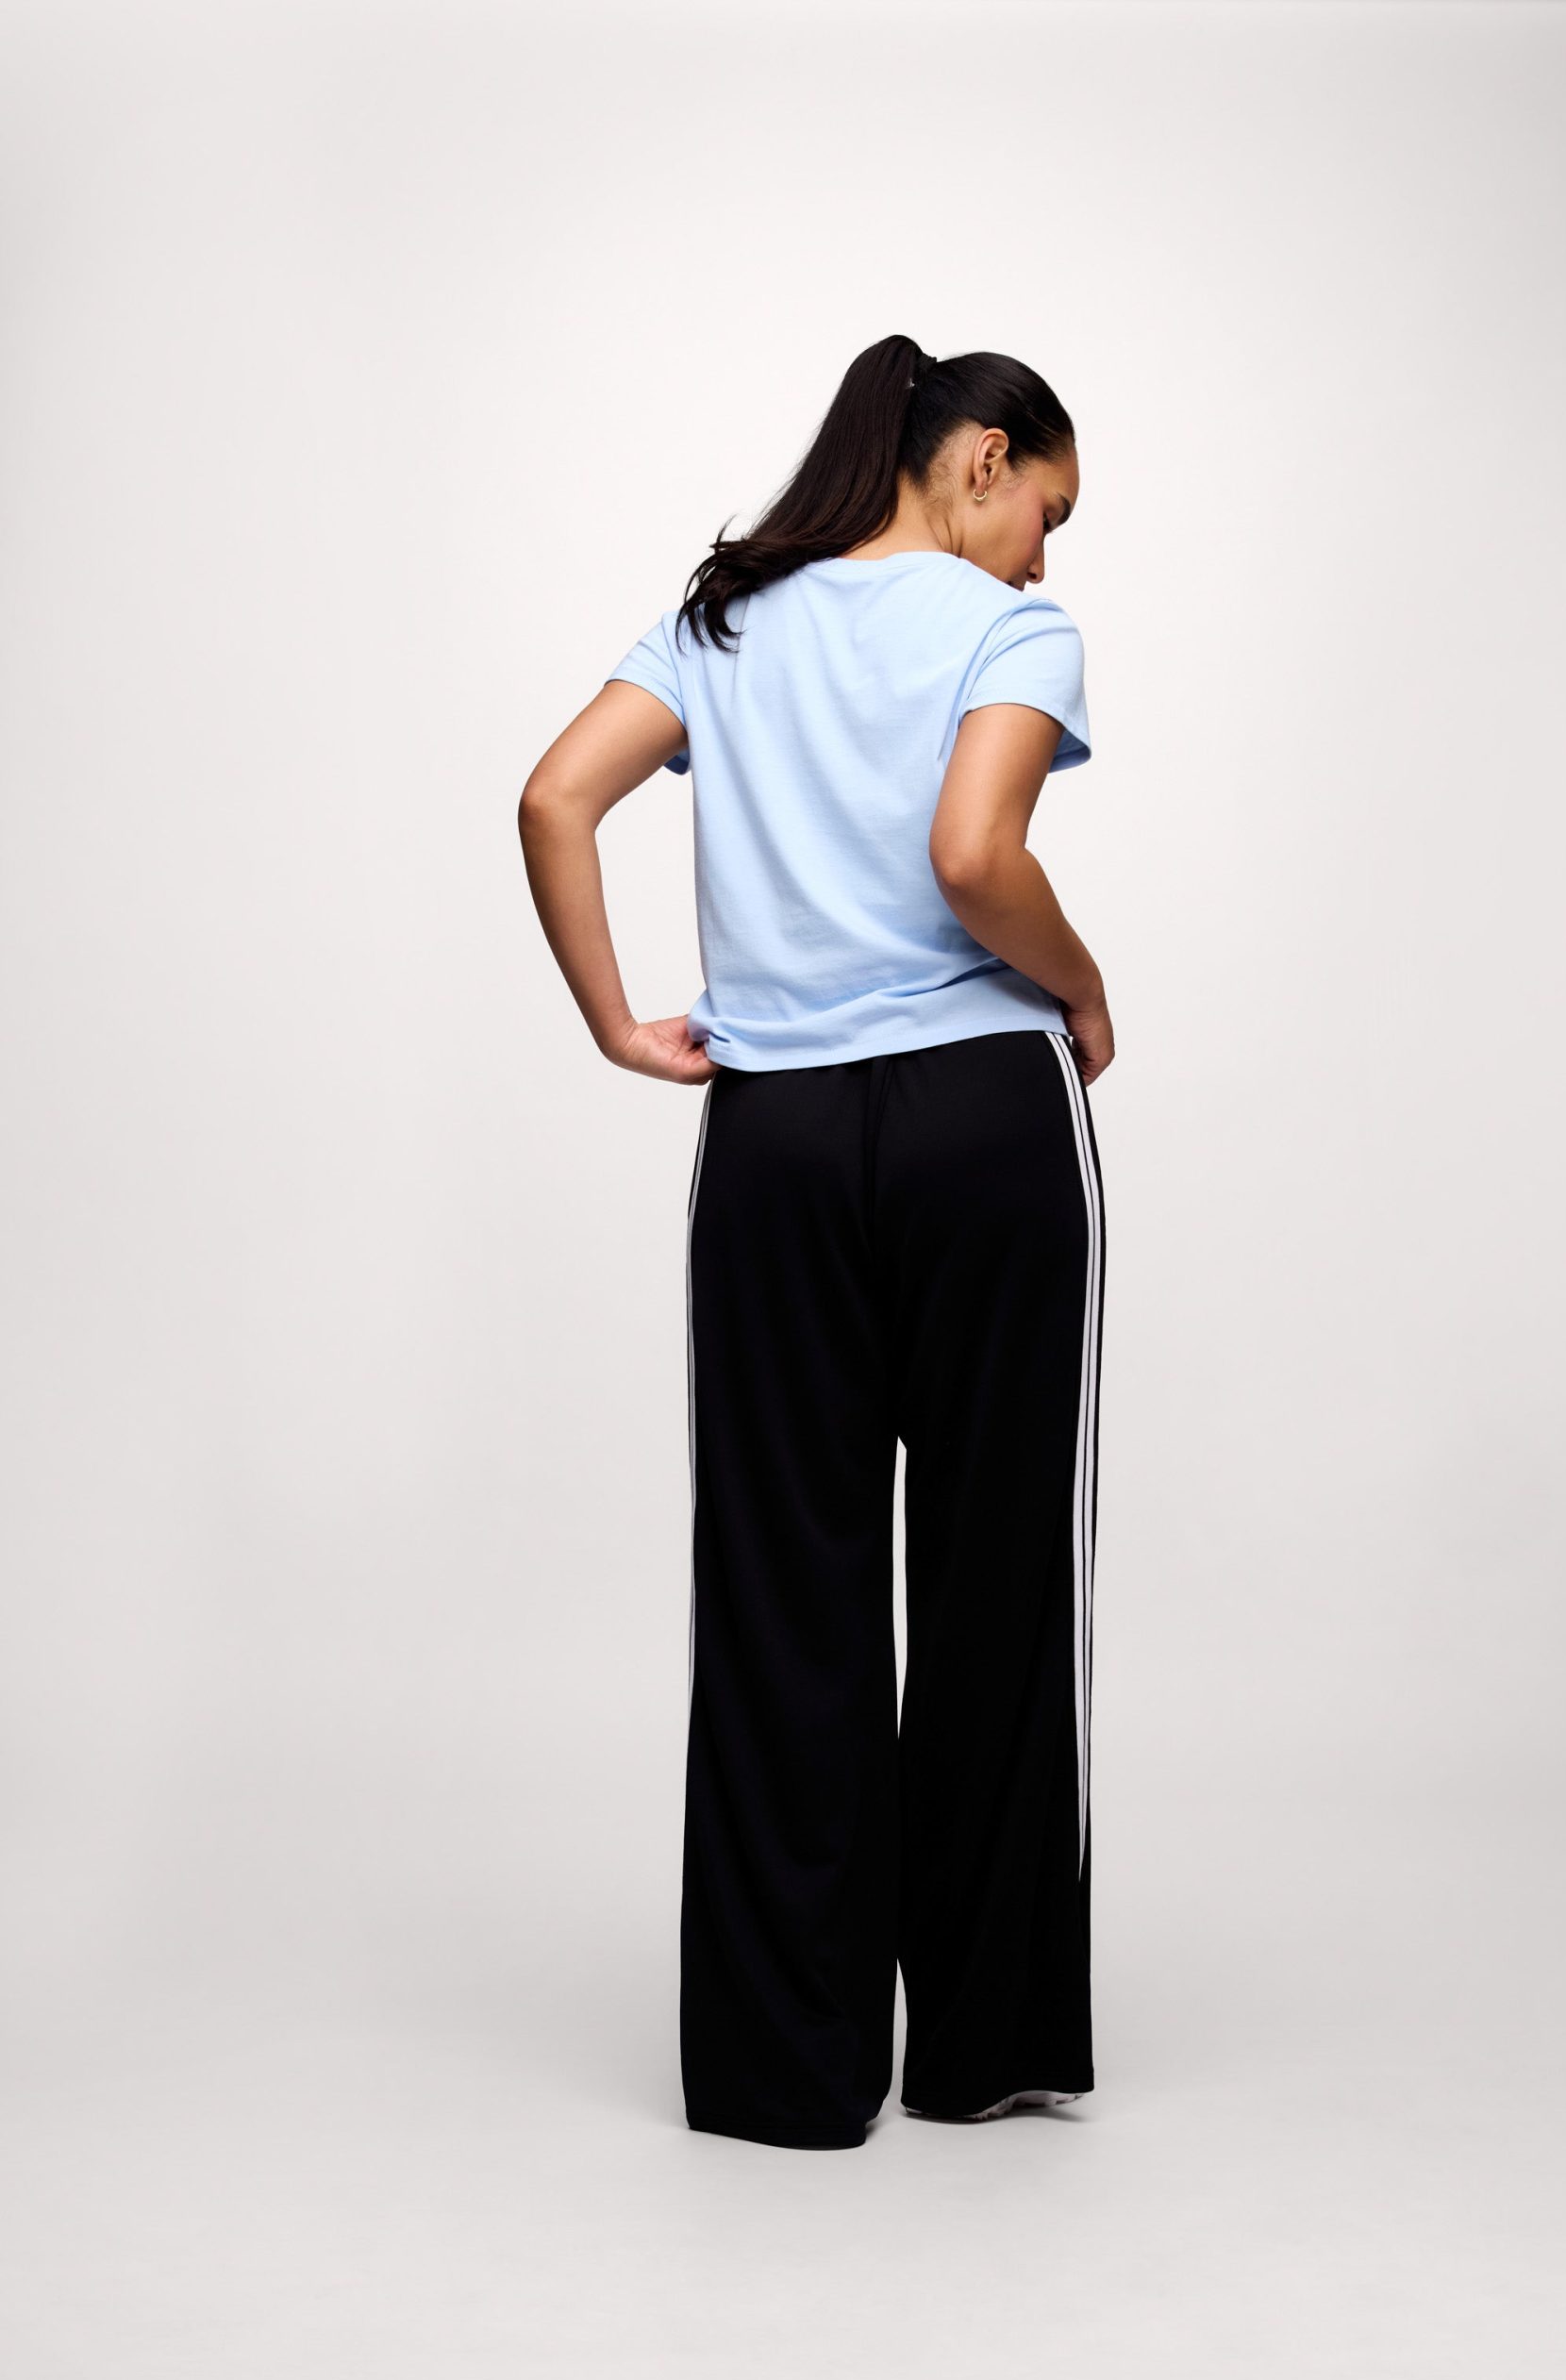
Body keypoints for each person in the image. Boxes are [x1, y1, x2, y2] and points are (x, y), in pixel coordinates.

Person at [518, 334, 1113, 2153]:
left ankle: (787, 2071)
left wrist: (621, 1024)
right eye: (1048, 511)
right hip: (983, 1126)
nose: (1045, 556)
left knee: (786, 1588)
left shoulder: (726, 623)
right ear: (982, 457)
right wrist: (1089, 993)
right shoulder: (1010, 633)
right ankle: (985, 2044)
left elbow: (554, 797)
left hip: (776, 1140)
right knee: (999, 1576)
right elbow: (975, 857)